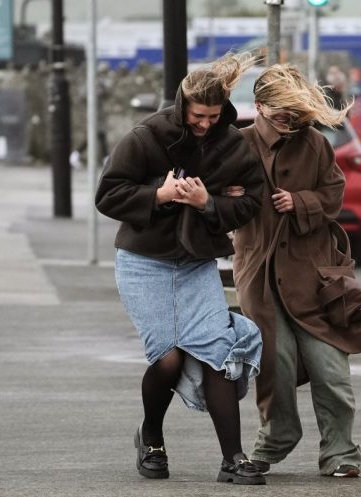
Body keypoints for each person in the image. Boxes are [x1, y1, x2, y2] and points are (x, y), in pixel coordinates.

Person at [95, 52, 267, 485]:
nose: (205, 124)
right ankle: (150, 436)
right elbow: (108, 194)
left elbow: (251, 201)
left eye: (213, 115)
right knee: (168, 359)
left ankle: (234, 459)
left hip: (195, 264)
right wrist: (161, 194)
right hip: (143, 263)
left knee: (218, 356)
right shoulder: (147, 135)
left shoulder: (233, 143)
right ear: (181, 106)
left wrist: (207, 202)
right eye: (197, 116)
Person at [232, 64, 361, 479]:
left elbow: (334, 193)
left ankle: (341, 453)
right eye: (281, 114)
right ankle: (274, 440)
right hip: (260, 274)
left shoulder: (313, 144)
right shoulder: (237, 145)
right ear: (258, 107)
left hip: (314, 274)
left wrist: (302, 202)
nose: (289, 122)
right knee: (276, 364)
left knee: (331, 369)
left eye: (295, 114)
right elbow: (220, 205)